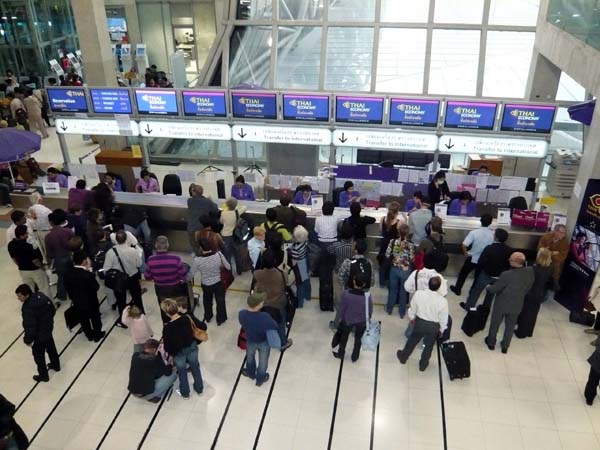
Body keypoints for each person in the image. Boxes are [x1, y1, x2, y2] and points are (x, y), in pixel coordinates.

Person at [484, 252, 534, 354]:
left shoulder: (506, 274)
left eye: (510, 259)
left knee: (495, 324)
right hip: (517, 304)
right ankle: (505, 346)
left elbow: (495, 289)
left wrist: (488, 287)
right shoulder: (530, 272)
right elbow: (528, 287)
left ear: (514, 262)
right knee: (510, 326)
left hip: (501, 304)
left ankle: (491, 343)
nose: (508, 259)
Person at [397, 276, 449, 371]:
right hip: (434, 326)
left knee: (412, 341)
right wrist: (441, 329)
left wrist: (412, 318)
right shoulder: (443, 301)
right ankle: (423, 365)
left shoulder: (419, 294)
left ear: (428, 284)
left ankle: (403, 357)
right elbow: (443, 318)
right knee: (428, 347)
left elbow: (412, 308)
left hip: (420, 323)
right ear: (439, 287)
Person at [161, 299, 207, 398]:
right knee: (195, 368)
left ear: (167, 313)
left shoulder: (167, 328)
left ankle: (185, 393)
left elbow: (167, 347)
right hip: (192, 348)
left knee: (182, 372)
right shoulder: (187, 318)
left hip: (179, 353)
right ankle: (199, 389)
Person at [16, 284, 60, 382]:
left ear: (26, 294)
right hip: (48, 329)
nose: (18, 298)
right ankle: (56, 365)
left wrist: (28, 340)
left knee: (39, 356)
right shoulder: (41, 296)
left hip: (38, 336)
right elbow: (52, 309)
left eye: (20, 296)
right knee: (51, 348)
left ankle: (44, 376)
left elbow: (29, 326)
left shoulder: (27, 308)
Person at [461, 228, 512, 311]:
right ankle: (485, 308)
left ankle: (469, 307)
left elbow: (481, 261)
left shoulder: (489, 248)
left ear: (496, 238)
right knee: (491, 293)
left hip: (486, 274)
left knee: (476, 291)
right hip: (499, 276)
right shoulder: (509, 250)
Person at [253, 249, 293, 351]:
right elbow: (287, 284)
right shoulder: (281, 274)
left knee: (262, 324)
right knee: (280, 325)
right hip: (278, 304)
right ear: (275, 261)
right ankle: (283, 343)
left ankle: (262, 342)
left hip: (263, 304)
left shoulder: (257, 274)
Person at [103, 230, 144, 327]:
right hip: (133, 277)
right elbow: (139, 264)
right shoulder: (132, 251)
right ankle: (141, 315)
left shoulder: (110, 252)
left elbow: (106, 269)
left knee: (121, 301)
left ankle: (123, 321)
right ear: (126, 239)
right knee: (137, 297)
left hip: (119, 280)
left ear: (116, 240)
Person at [239, 292, 279, 386]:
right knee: (263, 361)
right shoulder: (264, 317)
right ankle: (260, 379)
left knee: (250, 357)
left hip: (250, 340)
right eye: (261, 302)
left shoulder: (241, 314)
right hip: (263, 342)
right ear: (258, 305)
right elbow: (275, 326)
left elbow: (243, 324)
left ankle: (251, 373)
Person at [145, 236, 188, 323]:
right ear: (167, 245)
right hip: (175, 287)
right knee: (178, 305)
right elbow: (183, 275)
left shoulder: (150, 260)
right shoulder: (176, 258)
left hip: (160, 289)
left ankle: (166, 323)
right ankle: (179, 322)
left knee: (164, 307)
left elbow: (147, 277)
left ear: (156, 245)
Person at [64, 250, 105, 342]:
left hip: (77, 302)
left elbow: (68, 289)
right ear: (84, 261)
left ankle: (89, 335)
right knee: (95, 318)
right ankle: (97, 335)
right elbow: (96, 287)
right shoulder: (87, 275)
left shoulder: (67, 274)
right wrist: (90, 272)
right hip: (91, 301)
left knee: (83, 319)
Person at [450, 214, 494, 296]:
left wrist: (466, 254)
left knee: (463, 274)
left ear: (480, 221)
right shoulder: (492, 234)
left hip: (472, 258)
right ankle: (472, 292)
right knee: (477, 278)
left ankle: (457, 289)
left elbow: (464, 245)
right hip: (483, 260)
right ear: (490, 223)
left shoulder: (474, 233)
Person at [189, 238, 230, 325]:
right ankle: (220, 319)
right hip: (219, 282)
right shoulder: (218, 254)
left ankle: (208, 316)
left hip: (206, 284)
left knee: (207, 300)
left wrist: (184, 278)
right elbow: (228, 267)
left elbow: (191, 274)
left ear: (201, 247)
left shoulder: (198, 260)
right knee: (220, 301)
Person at [332, 273, 372, 362]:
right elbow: (369, 310)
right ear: (364, 284)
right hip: (361, 322)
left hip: (348, 320)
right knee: (358, 339)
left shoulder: (347, 294)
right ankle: (355, 356)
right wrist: (367, 320)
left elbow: (341, 309)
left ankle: (341, 353)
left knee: (344, 337)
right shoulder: (367, 296)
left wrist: (336, 321)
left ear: (354, 282)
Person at [514, 248, 553, 339]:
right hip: (540, 294)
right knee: (533, 313)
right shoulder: (550, 268)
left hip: (530, 293)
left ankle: (521, 333)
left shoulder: (533, 269)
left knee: (525, 312)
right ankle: (529, 331)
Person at [8, 225, 51, 299]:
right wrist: (42, 268)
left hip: (23, 271)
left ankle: (33, 305)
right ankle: (50, 305)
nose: (27, 235)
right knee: (44, 288)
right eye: (26, 234)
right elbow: (35, 261)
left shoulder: (11, 245)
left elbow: (14, 258)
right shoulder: (28, 246)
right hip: (35, 270)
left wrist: (20, 265)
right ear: (21, 235)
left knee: (28, 290)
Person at [128, 338, 177, 403]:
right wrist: (170, 362)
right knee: (173, 375)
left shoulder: (135, 355)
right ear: (154, 349)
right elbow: (168, 372)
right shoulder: (155, 359)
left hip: (132, 391)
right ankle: (154, 396)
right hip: (146, 394)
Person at [327, 223, 354, 326]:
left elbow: (329, 250)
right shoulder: (353, 247)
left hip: (338, 270)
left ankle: (339, 309)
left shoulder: (336, 246)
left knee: (338, 292)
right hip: (350, 273)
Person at [386, 224, 415, 318]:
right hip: (405, 271)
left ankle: (389, 309)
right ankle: (401, 312)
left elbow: (387, 255)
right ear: (408, 233)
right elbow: (412, 258)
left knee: (393, 290)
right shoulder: (410, 244)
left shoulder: (393, 241)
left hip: (394, 269)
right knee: (403, 292)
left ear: (398, 232)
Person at [45, 210, 73, 303]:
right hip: (70, 257)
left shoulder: (48, 236)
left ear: (51, 222)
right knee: (71, 275)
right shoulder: (69, 231)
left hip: (59, 260)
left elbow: (49, 254)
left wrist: (49, 266)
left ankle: (62, 295)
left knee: (61, 278)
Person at [187, 184, 218, 255]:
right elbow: (215, 210)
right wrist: (211, 201)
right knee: (204, 248)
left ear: (193, 192)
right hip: (202, 230)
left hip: (192, 229)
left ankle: (199, 262)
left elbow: (197, 201)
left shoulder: (190, 201)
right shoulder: (207, 202)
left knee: (195, 249)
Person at [378, 201, 403, 287]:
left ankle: (382, 282)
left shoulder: (382, 219)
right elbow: (401, 235)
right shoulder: (399, 222)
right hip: (393, 245)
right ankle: (389, 281)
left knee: (382, 262)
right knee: (391, 264)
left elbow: (381, 231)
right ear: (398, 211)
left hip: (384, 243)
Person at [220, 197, 247, 275]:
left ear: (227, 205)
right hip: (235, 236)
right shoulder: (237, 212)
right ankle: (239, 270)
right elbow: (245, 207)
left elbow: (221, 222)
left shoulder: (223, 213)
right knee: (237, 254)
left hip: (225, 235)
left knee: (227, 254)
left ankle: (229, 272)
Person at [537, 224, 568, 290]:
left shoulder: (564, 243)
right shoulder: (546, 237)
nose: (563, 235)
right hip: (543, 260)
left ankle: (553, 285)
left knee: (555, 270)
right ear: (555, 231)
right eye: (561, 233)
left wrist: (548, 252)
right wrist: (553, 253)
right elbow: (540, 249)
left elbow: (562, 257)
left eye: (564, 233)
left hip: (554, 263)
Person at [290, 225, 311, 308]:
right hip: (305, 262)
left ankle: (300, 303)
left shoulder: (296, 248)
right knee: (306, 281)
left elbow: (294, 262)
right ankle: (308, 296)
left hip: (299, 266)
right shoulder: (306, 241)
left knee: (300, 285)